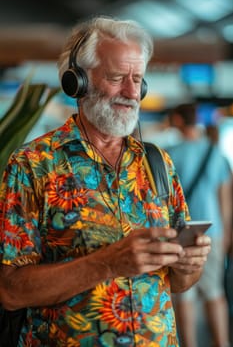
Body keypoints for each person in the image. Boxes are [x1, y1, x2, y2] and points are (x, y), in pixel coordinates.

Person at [0, 17, 211, 347]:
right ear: (78, 82)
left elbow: (180, 283)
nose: (131, 92)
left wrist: (189, 266)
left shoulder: (158, 162)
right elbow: (10, 291)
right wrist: (107, 263)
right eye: (116, 78)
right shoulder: (33, 165)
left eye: (137, 79)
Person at [166, 103, 232, 347]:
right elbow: (224, 198)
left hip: (180, 233)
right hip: (211, 232)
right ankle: (222, 343)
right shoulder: (216, 154)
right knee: (214, 292)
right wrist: (226, 234)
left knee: (184, 294)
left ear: (179, 120)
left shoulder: (169, 154)